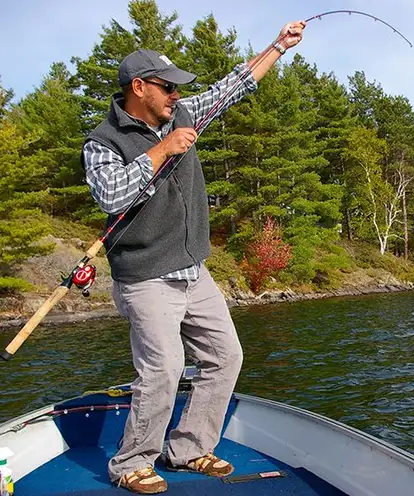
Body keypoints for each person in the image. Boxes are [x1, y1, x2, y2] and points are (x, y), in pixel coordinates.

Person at [81, 21, 305, 494]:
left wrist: (278, 47)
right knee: (162, 368)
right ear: (139, 88)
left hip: (192, 270)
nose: (175, 95)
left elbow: (233, 87)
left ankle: (187, 448)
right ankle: (131, 463)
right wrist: (161, 151)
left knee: (226, 357)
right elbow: (110, 197)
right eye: (167, 87)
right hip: (144, 276)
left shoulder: (182, 113)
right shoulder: (102, 142)